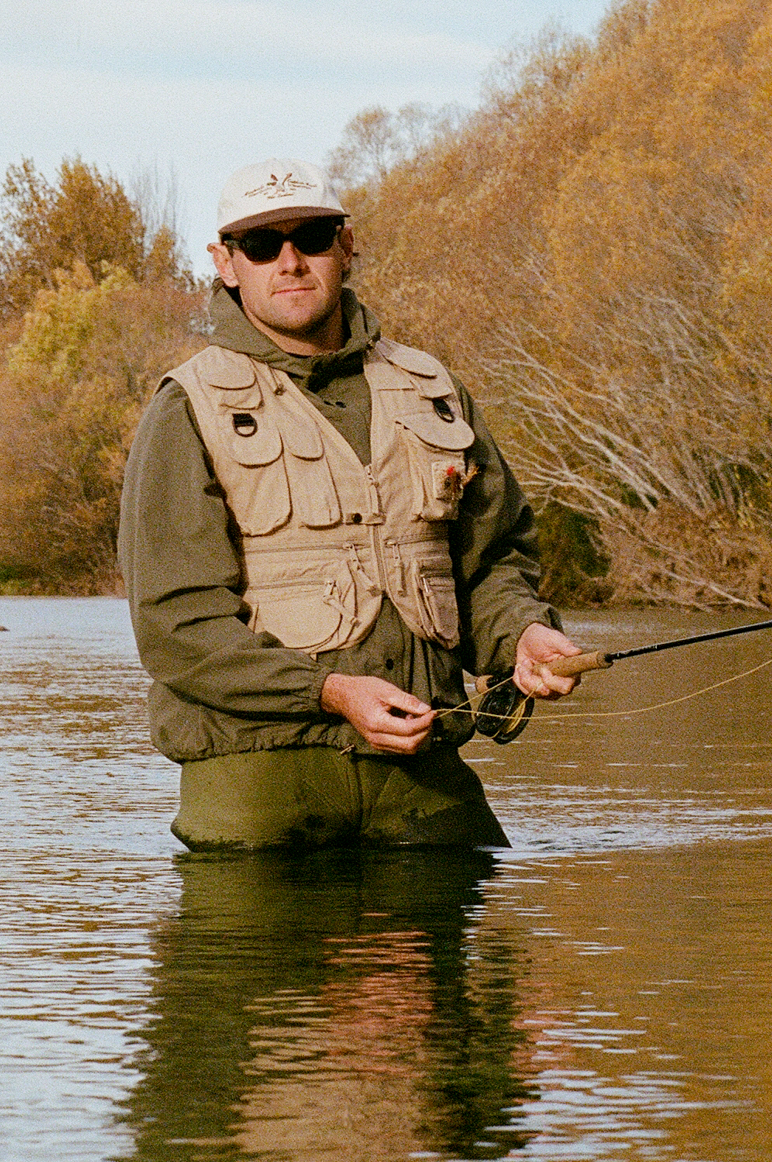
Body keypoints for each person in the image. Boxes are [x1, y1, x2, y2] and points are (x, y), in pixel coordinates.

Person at [118, 158, 588, 849]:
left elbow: (490, 566)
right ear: (225, 263)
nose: (290, 261)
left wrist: (523, 634)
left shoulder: (434, 387)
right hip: (260, 796)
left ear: (345, 245)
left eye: (311, 235)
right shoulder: (185, 406)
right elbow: (176, 626)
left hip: (424, 783)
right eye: (260, 244)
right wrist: (333, 692)